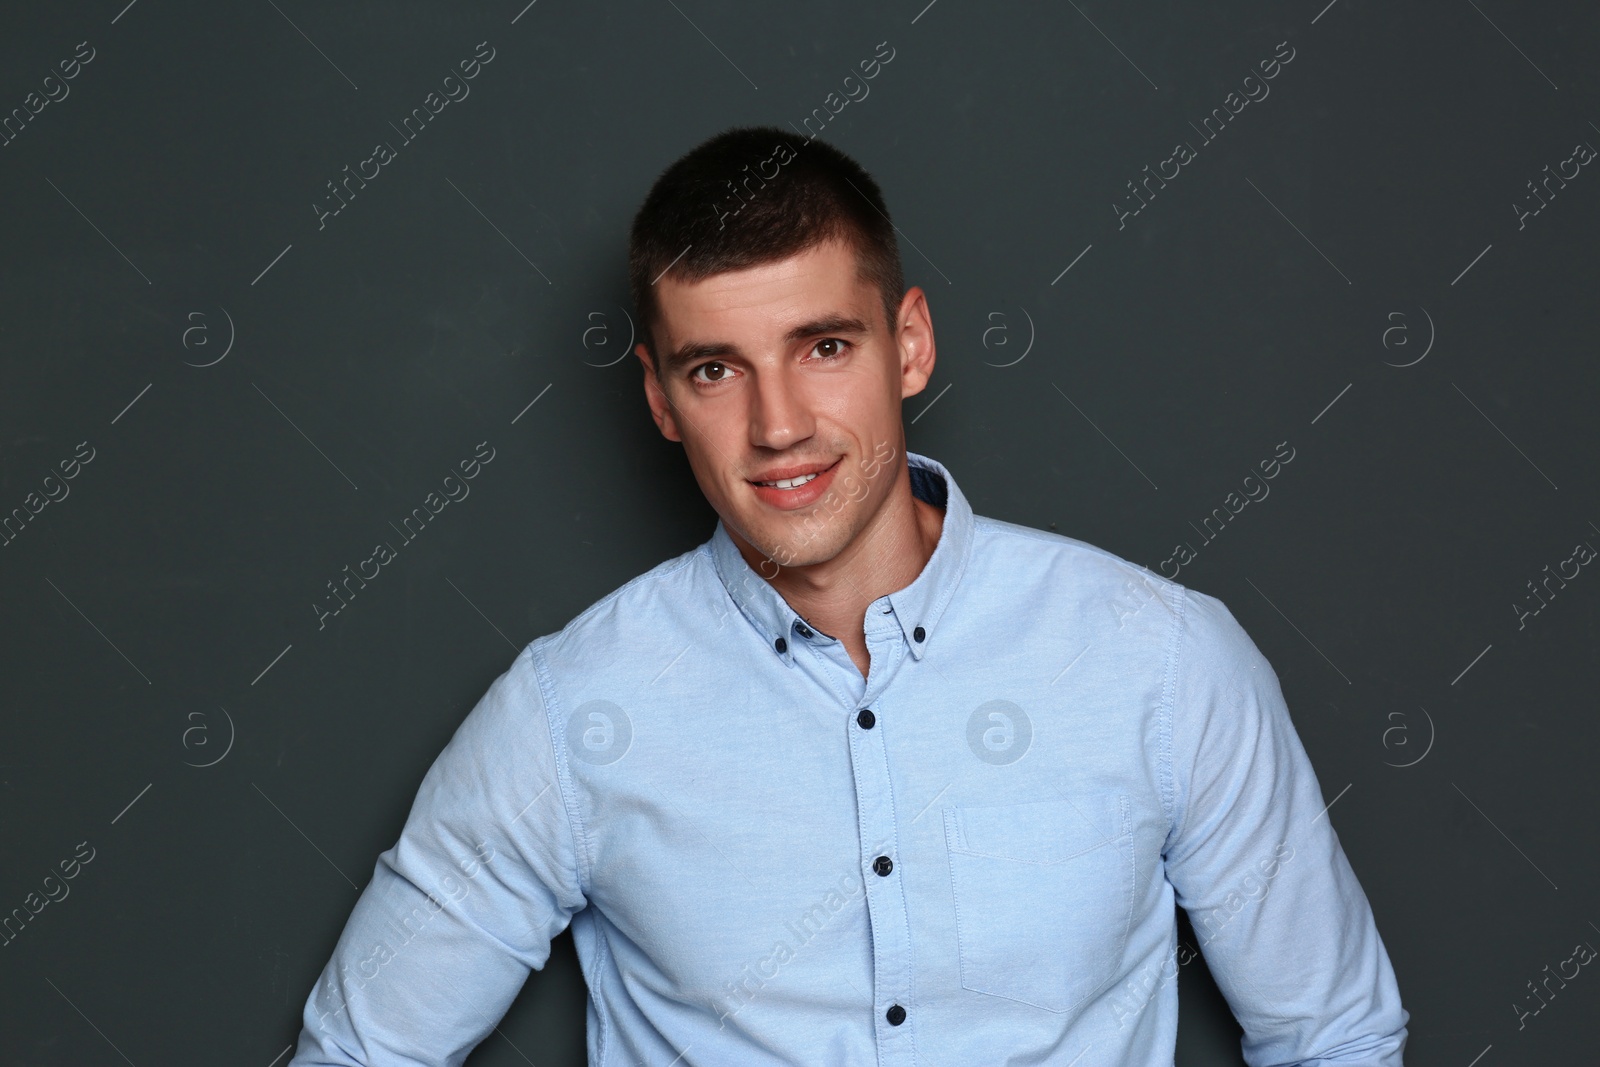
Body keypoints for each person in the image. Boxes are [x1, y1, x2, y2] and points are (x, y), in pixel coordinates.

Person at [288, 126, 1408, 1066]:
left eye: (822, 345)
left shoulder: (1161, 660)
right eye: (715, 367)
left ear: (907, 344)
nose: (777, 424)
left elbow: (1337, 1037)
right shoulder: (568, 714)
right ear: (661, 397)